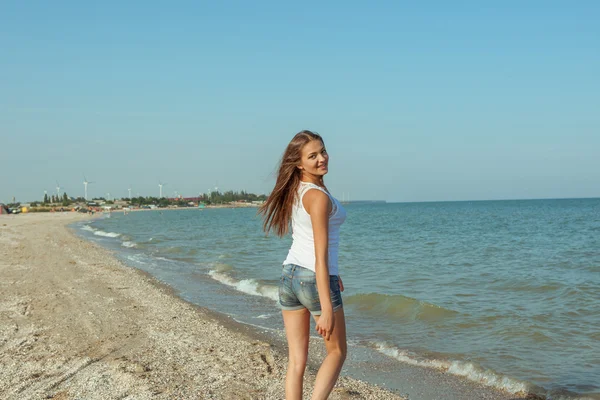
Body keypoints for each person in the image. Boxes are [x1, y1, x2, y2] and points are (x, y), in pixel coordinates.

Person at [259, 130, 347, 400]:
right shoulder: (317, 197)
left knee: (297, 361)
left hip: (290, 277)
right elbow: (319, 255)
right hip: (313, 279)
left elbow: (309, 240)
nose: (322, 158)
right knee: (337, 352)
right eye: (313, 156)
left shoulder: (299, 189)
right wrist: (327, 306)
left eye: (322, 151)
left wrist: (335, 271)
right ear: (298, 163)